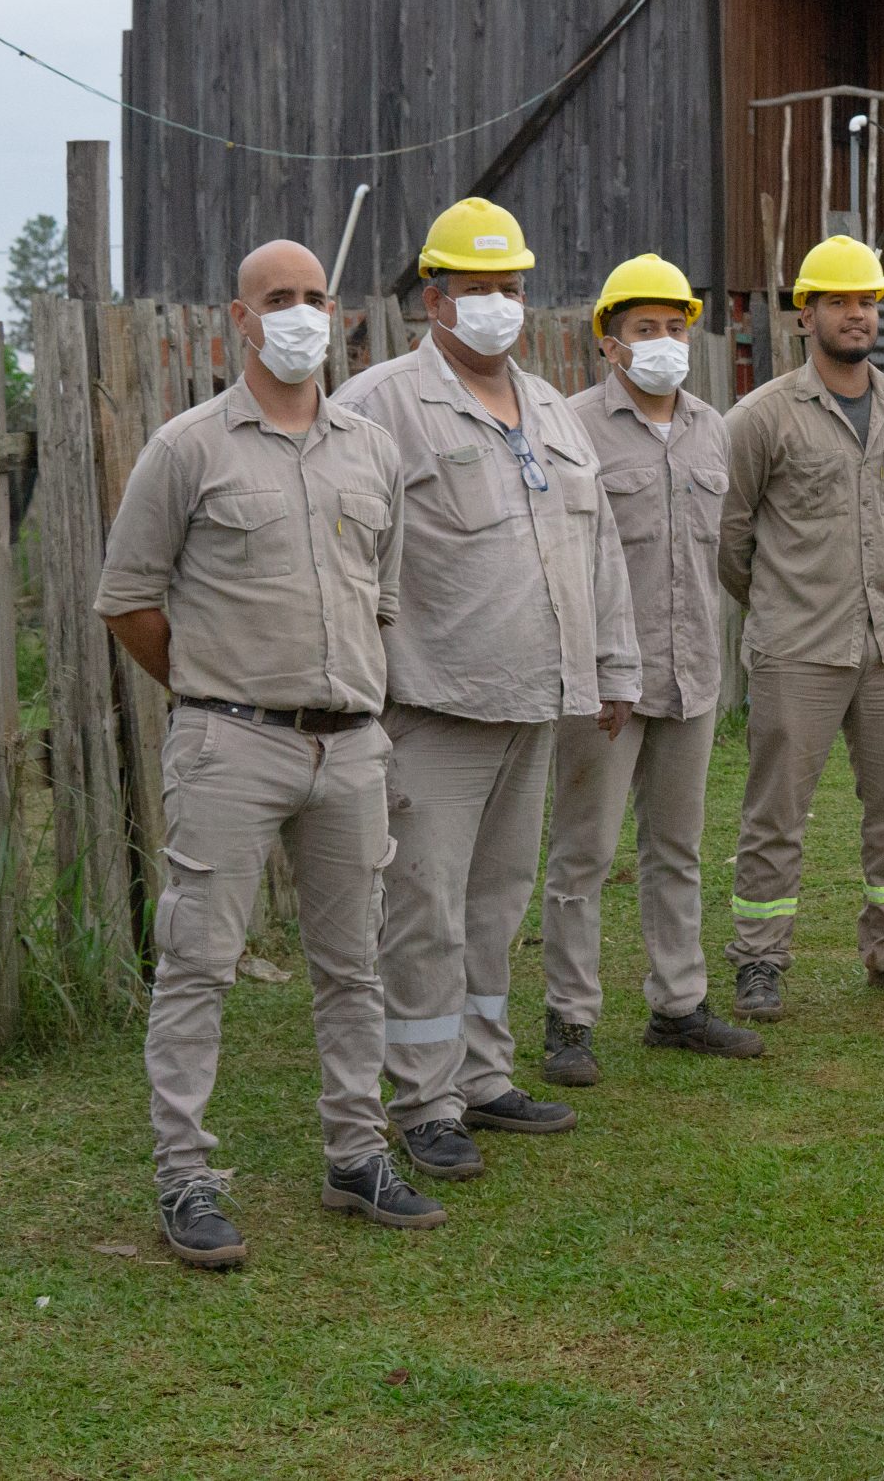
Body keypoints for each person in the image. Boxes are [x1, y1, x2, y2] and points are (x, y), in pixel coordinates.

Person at [96, 239, 443, 1266]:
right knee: (198, 965)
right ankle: (186, 1178)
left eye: (314, 297)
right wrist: (212, 691)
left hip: (350, 749)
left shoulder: (370, 450)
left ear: (338, 315)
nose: (299, 314)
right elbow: (127, 601)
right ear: (238, 323)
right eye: (276, 300)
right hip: (229, 744)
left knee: (354, 963)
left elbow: (381, 597)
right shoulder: (187, 449)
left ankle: (356, 1154)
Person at [333, 197, 641, 1181]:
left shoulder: (550, 407)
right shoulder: (381, 405)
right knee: (425, 903)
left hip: (535, 702)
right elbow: (346, 556)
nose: (499, 305)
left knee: (498, 897)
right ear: (435, 299)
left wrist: (612, 671)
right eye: (479, 290)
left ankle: (483, 1074)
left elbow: (597, 555)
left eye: (511, 287)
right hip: (433, 704)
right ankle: (423, 1098)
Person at [719, 236, 884, 1015]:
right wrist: (784, 604)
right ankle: (759, 959)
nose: (855, 314)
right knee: (776, 810)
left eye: (866, 301)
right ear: (806, 313)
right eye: (838, 301)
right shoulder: (762, 418)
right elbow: (731, 536)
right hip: (797, 647)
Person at [538, 255, 764, 1083]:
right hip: (603, 685)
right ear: (609, 343)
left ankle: (678, 1003)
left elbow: (723, 551)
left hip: (692, 673)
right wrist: (588, 666)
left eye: (676, 327)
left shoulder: (712, 427)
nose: (664, 342)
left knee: (677, 846)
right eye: (645, 329)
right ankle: (570, 1017)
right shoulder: (570, 427)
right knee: (584, 852)